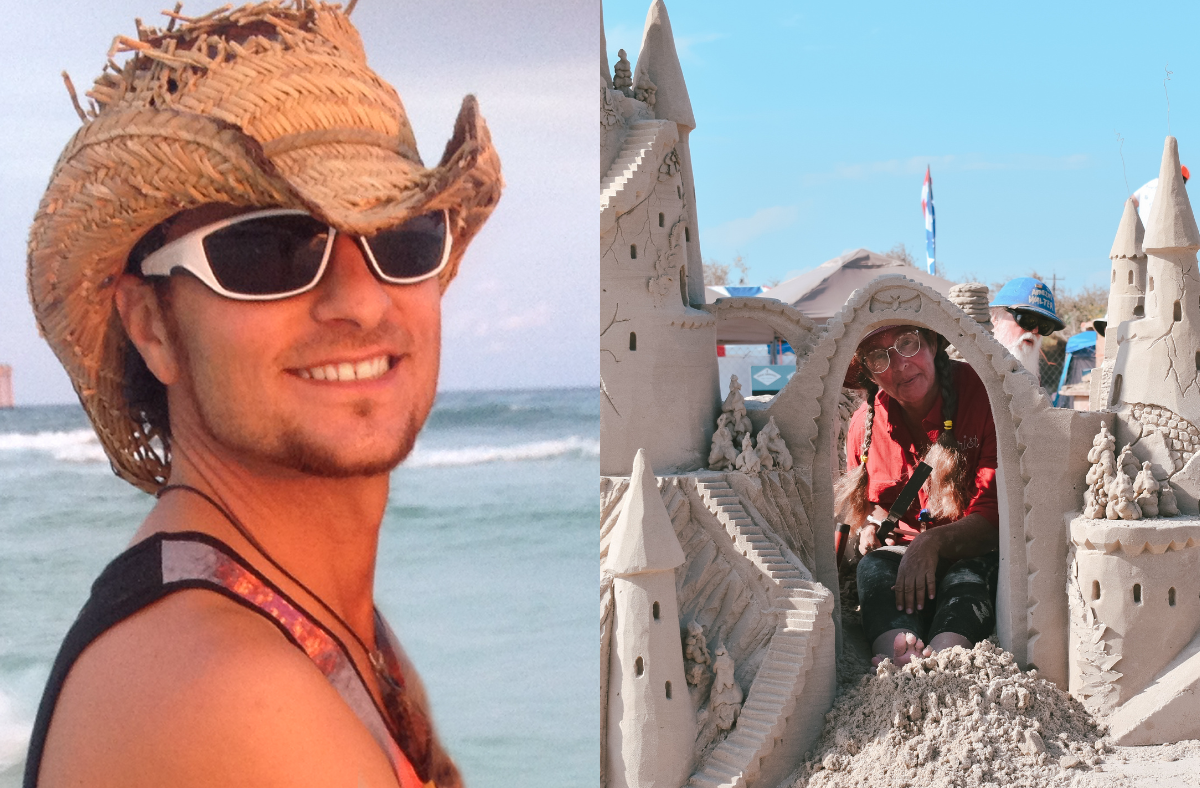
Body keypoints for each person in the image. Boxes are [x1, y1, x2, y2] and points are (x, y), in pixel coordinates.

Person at [23, 4, 502, 787]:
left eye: (400, 238)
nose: (361, 301)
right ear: (152, 325)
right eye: (272, 250)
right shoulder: (233, 696)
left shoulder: (313, 624)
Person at [836, 325, 1000, 666]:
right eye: (878, 357)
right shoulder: (863, 426)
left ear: (932, 343)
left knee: (966, 578)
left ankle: (947, 657)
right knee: (874, 568)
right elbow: (872, 505)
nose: (899, 364)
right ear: (868, 374)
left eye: (907, 343)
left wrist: (932, 543)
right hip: (905, 561)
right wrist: (871, 527)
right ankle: (897, 654)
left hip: (974, 551)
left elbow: (994, 514)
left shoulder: (985, 397)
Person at [989, 277, 1065, 377]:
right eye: (1027, 320)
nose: (1035, 330)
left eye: (1044, 326)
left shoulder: (1032, 380)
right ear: (995, 317)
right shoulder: (971, 372)